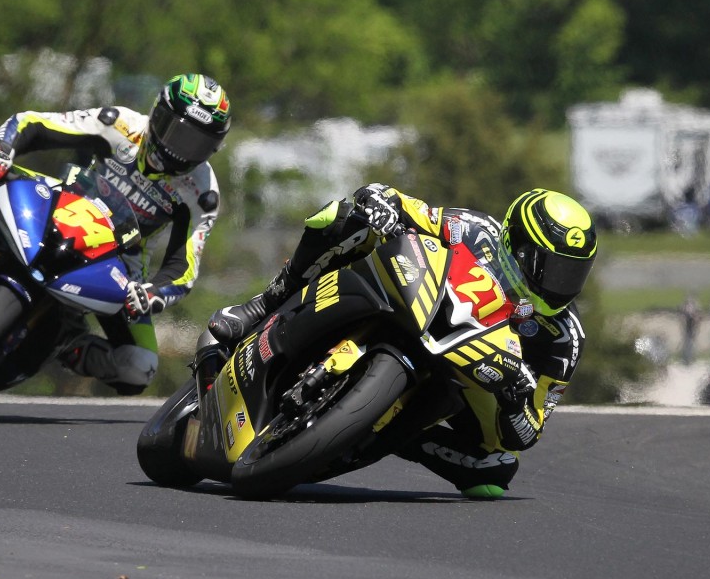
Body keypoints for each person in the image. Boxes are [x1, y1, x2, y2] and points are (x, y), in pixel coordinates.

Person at [208, 184, 597, 498]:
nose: (560, 286)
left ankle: (387, 428)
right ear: (518, 244)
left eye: (572, 275)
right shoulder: (478, 231)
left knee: (495, 469)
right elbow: (409, 207)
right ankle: (265, 303)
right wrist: (382, 203)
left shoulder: (563, 338)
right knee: (342, 218)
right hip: (420, 301)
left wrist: (515, 394)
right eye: (553, 269)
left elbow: (528, 431)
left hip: (468, 376)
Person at [0, 73, 231, 394]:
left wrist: (152, 293)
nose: (181, 150)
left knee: (139, 367)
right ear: (157, 115)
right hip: (60, 200)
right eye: (177, 133)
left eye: (197, 144)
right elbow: (33, 123)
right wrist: (3, 149)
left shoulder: (202, 192)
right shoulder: (120, 124)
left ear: (213, 149)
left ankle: (66, 343)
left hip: (120, 260)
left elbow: (185, 265)